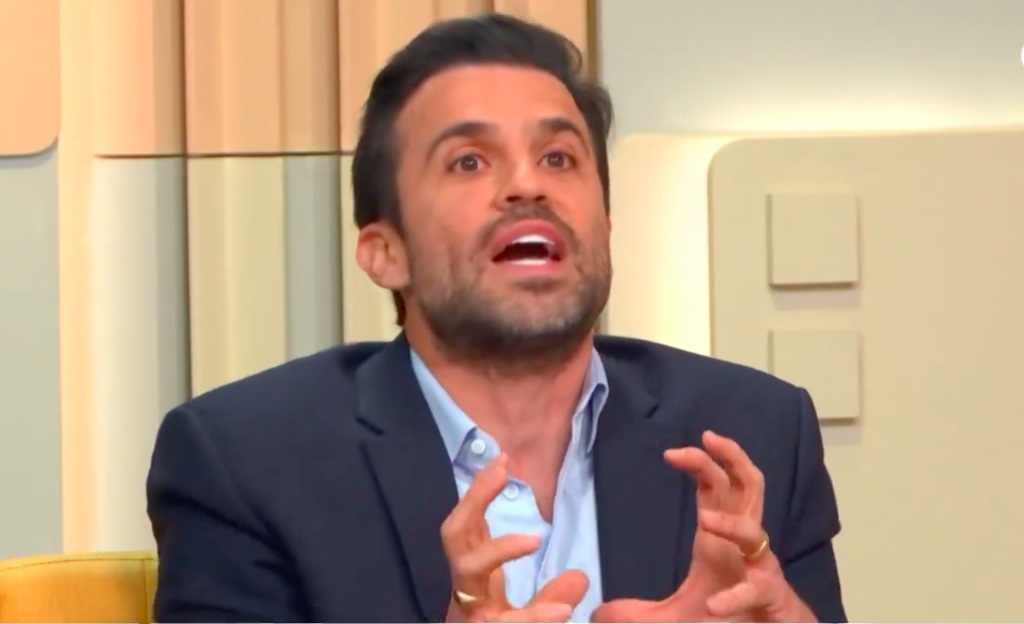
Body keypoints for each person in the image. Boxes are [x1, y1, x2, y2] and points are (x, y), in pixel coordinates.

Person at [146, 13, 846, 624]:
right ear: (386, 253)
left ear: (606, 227)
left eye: (558, 157)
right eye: (469, 161)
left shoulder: (752, 436)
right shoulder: (248, 464)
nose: (526, 184)